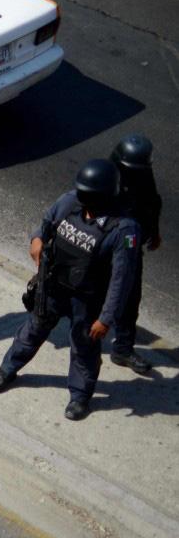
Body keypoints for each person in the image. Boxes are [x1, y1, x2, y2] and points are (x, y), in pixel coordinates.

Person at [0, 159, 141, 421]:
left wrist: (105, 318)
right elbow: (46, 223)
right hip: (54, 288)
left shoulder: (124, 229)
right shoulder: (70, 201)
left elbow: (121, 280)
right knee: (31, 331)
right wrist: (36, 239)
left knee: (84, 349)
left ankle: (80, 396)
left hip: (88, 300)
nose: (83, 198)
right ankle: (7, 369)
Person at [107, 133, 161, 374]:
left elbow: (152, 202)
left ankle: (123, 349)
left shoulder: (142, 175)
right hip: (104, 247)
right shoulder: (105, 179)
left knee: (130, 299)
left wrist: (153, 232)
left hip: (130, 248)